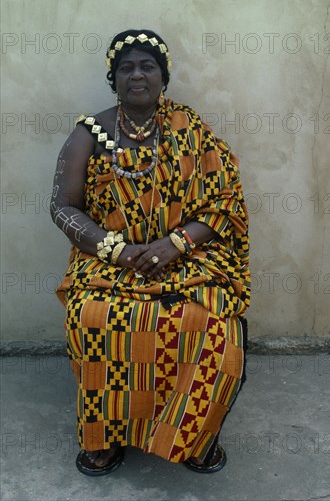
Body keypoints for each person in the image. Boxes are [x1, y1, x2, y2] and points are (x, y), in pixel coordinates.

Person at [51, 29, 251, 476]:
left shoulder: (191, 129)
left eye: (147, 66)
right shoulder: (90, 133)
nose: (137, 75)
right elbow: (63, 206)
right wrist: (118, 251)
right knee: (92, 315)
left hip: (188, 259)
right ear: (113, 77)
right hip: (108, 261)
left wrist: (174, 244)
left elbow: (226, 202)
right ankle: (105, 435)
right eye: (126, 67)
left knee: (211, 318)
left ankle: (195, 435)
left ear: (163, 77)